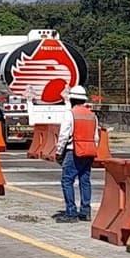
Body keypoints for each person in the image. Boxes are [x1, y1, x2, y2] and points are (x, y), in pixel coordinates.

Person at [54, 85, 99, 223]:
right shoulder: (92, 115)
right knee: (85, 181)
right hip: (89, 152)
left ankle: (71, 213)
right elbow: (96, 137)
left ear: (72, 99)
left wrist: (58, 151)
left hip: (73, 151)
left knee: (67, 181)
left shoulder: (70, 114)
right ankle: (85, 212)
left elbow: (63, 135)